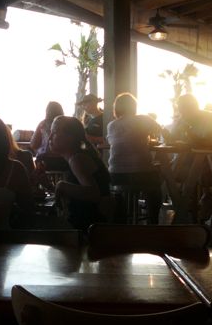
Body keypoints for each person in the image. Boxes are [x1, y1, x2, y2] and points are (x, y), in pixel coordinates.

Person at [106, 93, 162, 224]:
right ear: (134, 106)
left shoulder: (111, 125)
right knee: (156, 182)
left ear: (116, 108)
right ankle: (153, 222)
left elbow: (117, 142)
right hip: (141, 174)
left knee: (122, 190)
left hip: (116, 175)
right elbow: (162, 132)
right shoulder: (144, 119)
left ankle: (121, 222)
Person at [49, 116, 110, 231]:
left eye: (55, 132)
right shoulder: (79, 156)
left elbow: (94, 194)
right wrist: (50, 186)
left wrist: (61, 185)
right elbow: (78, 191)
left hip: (91, 229)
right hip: (91, 224)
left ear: (70, 137)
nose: (50, 137)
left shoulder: (77, 159)